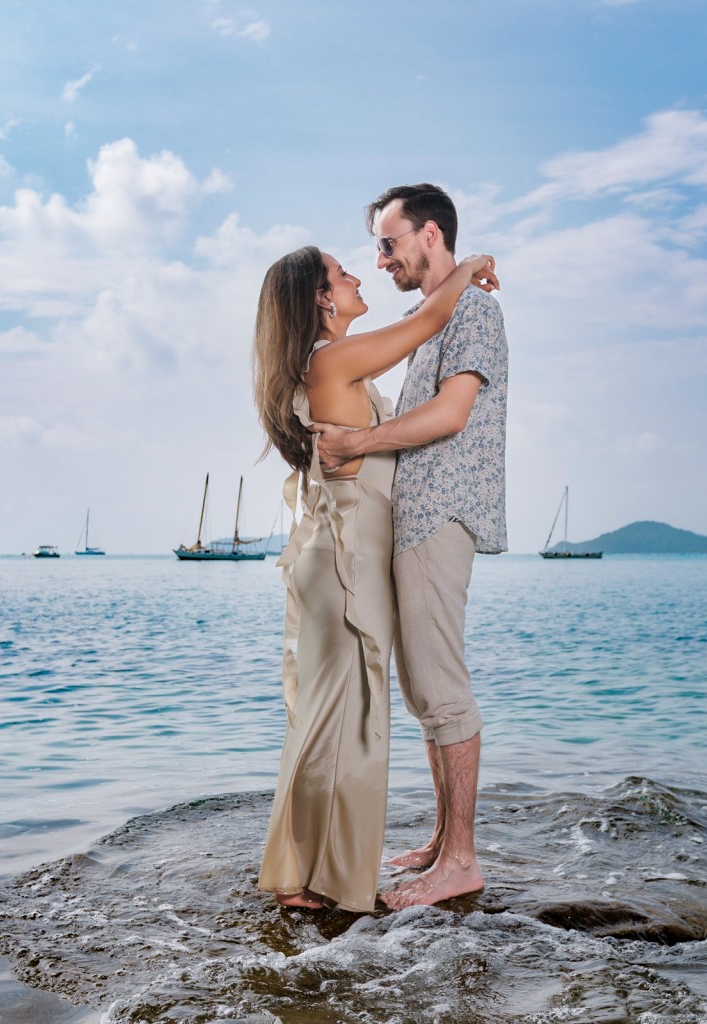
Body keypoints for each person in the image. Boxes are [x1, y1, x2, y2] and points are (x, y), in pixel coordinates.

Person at [252, 243, 498, 912]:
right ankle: (316, 879)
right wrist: (469, 265)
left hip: (341, 561)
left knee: (334, 719)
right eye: (342, 273)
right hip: (344, 568)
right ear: (323, 300)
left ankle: (305, 873)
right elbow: (424, 325)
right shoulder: (332, 359)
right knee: (346, 721)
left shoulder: (333, 366)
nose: (360, 275)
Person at [310, 183, 508, 909]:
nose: (381, 258)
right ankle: (442, 839)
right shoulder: (442, 316)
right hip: (416, 519)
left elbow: (452, 414)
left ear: (430, 235)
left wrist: (359, 440)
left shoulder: (476, 313)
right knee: (426, 689)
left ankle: (460, 860)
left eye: (389, 243)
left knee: (440, 685)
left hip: (439, 514)